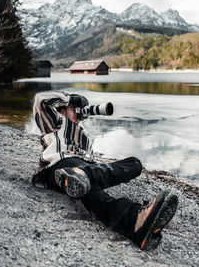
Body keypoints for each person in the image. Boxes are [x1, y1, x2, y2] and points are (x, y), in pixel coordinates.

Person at [32, 91, 178, 251]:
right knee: (84, 175)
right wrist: (69, 99)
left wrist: (91, 170)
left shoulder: (85, 137)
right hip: (59, 167)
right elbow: (41, 100)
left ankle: (135, 222)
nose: (79, 115)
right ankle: (80, 176)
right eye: (74, 109)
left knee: (134, 164)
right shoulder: (56, 124)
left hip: (82, 174)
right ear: (61, 110)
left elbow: (94, 162)